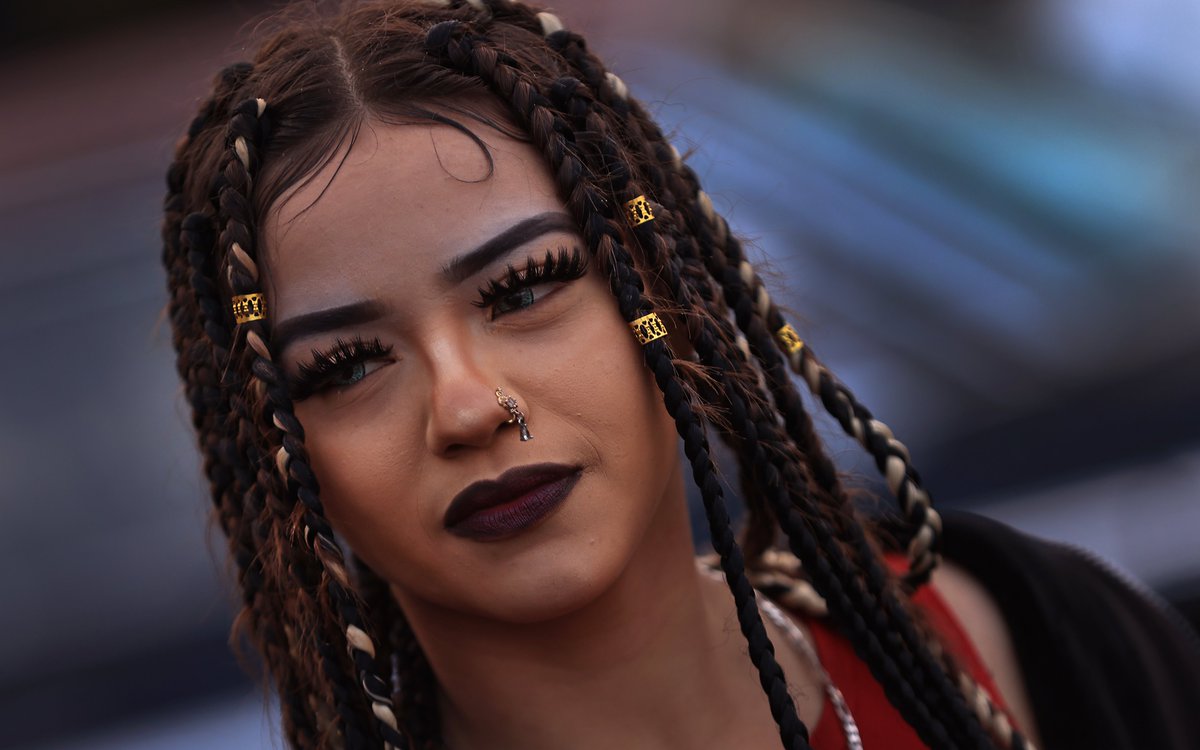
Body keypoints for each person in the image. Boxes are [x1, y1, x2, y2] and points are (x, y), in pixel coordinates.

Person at [160, 2, 1200, 749]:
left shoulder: (1009, 640)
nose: (470, 407)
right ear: (281, 454)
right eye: (343, 366)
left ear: (663, 291)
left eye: (524, 288)